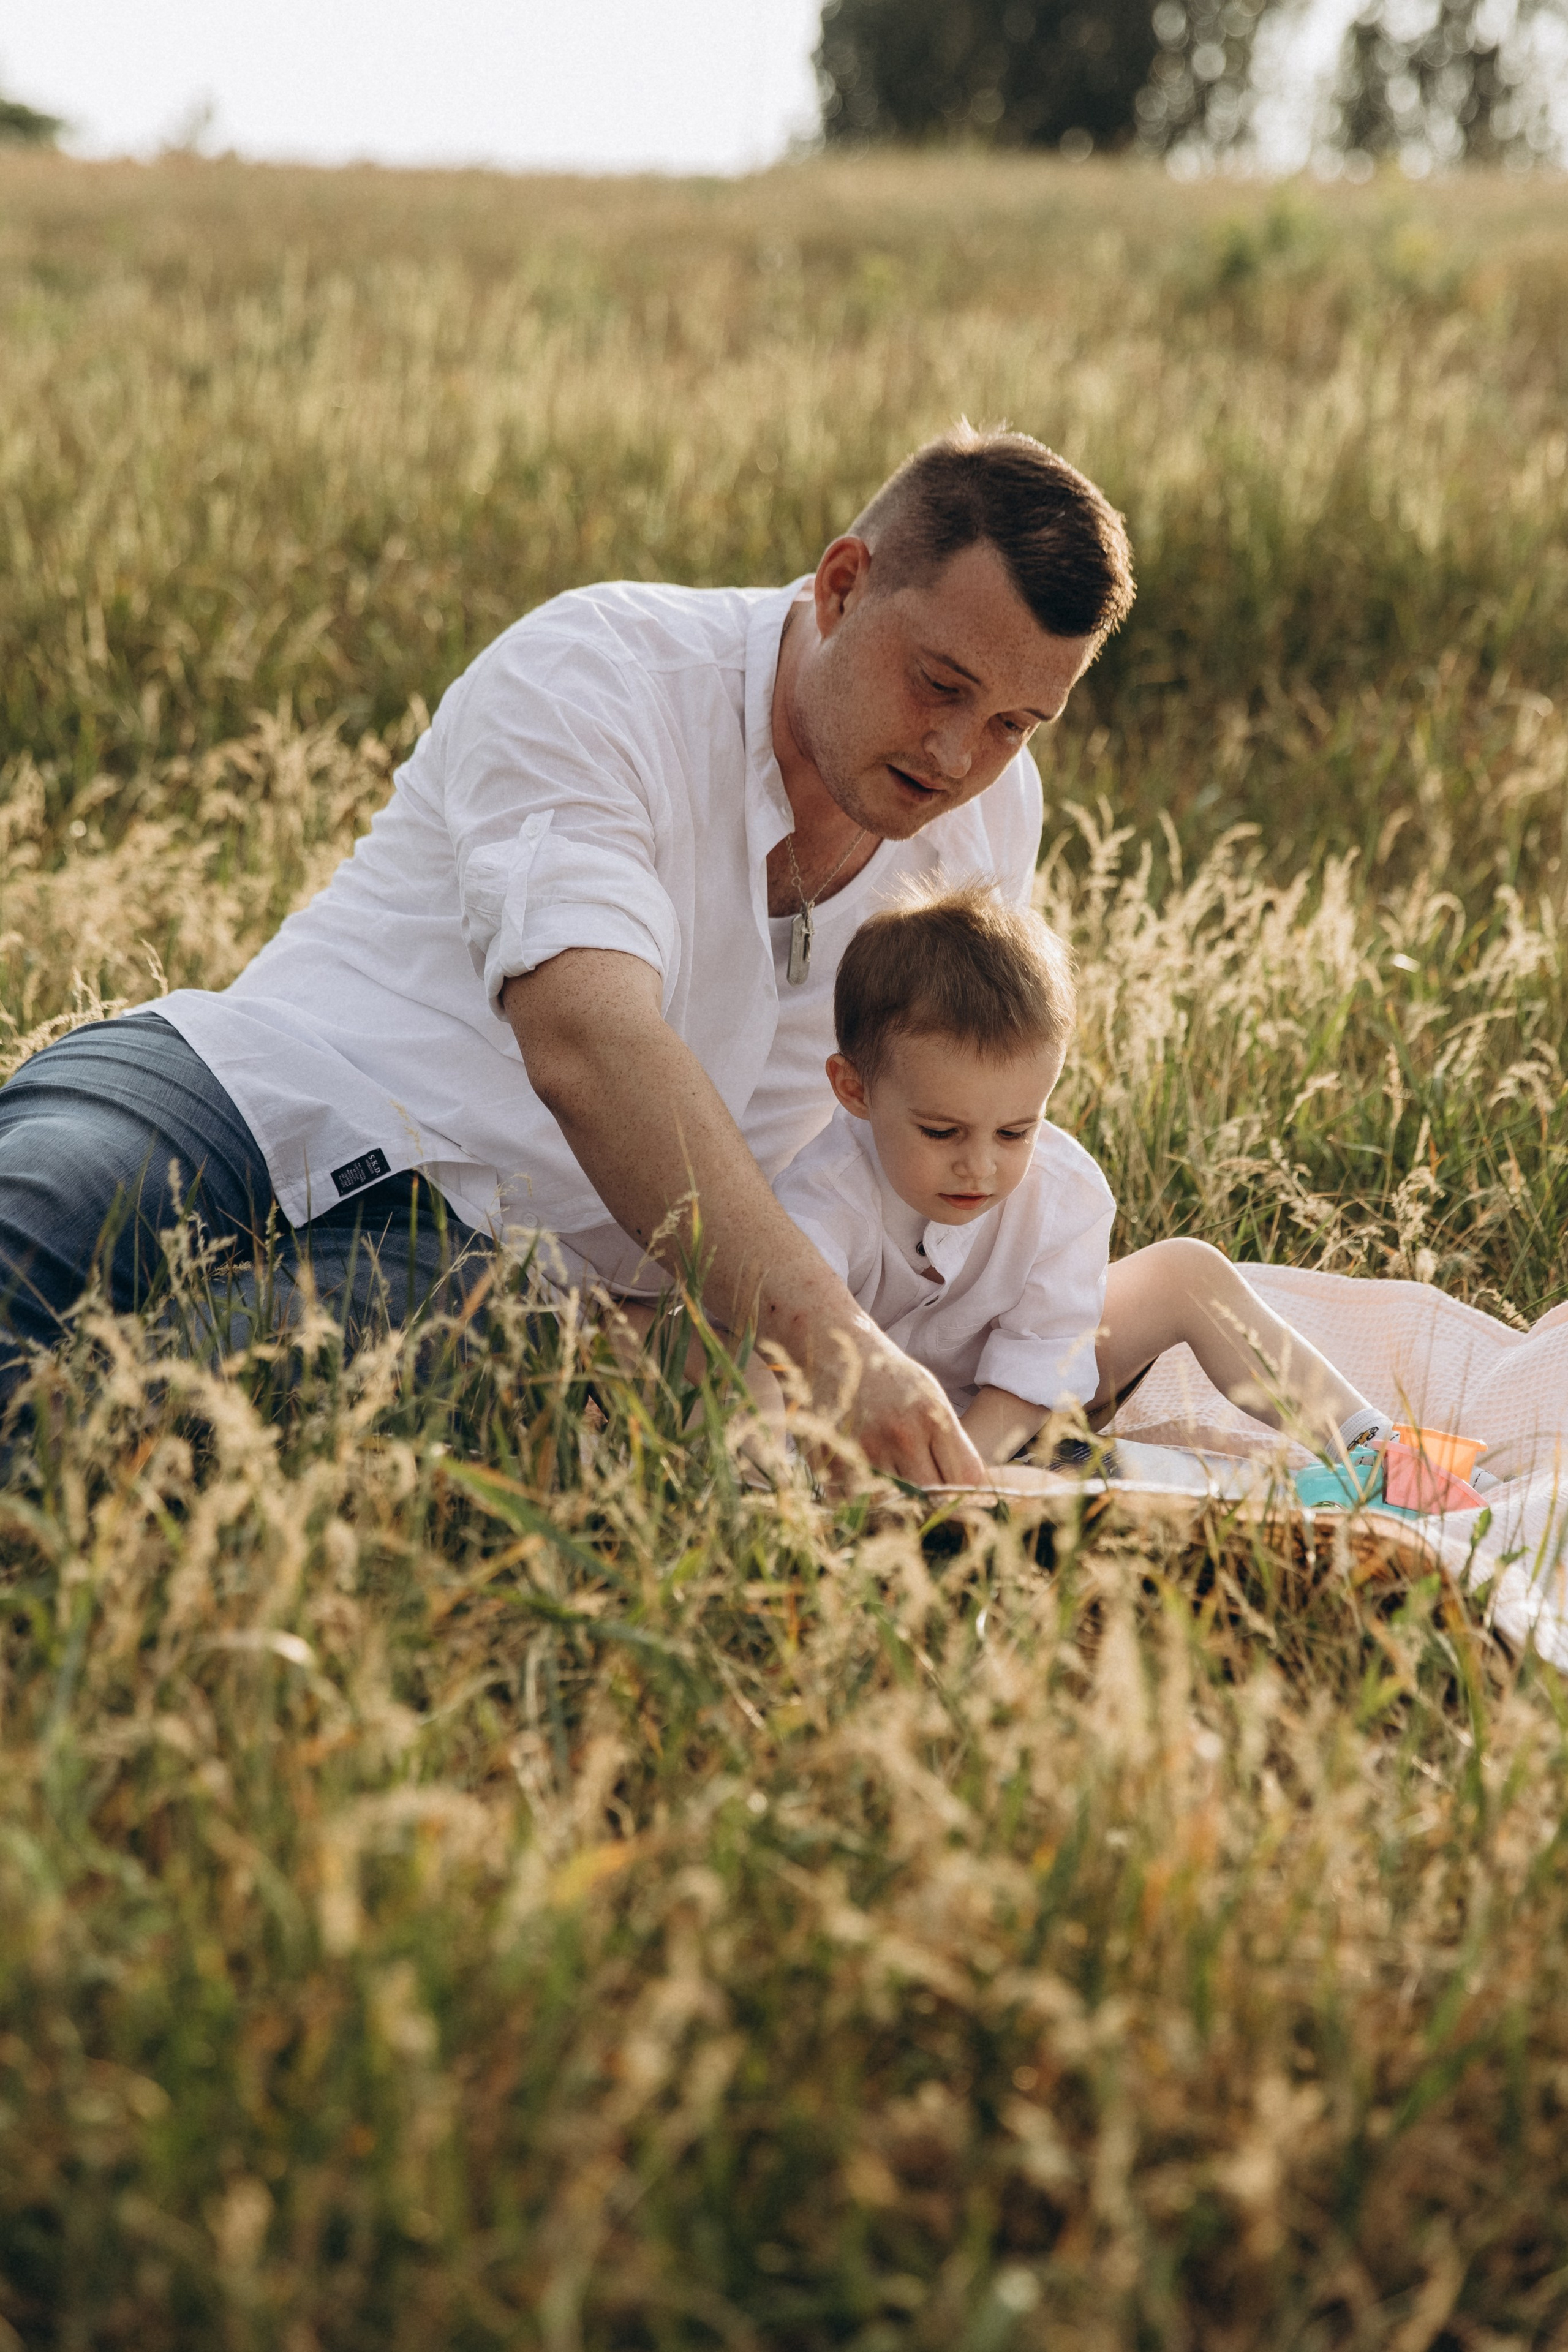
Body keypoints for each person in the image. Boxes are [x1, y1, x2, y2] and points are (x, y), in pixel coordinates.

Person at [0, 426, 1134, 1485]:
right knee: (32, 1219)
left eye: (1014, 724)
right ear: (843, 586)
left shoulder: (990, 822)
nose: (958, 754)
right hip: (244, 1087)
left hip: (496, 1267)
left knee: (154, 1421)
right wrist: (831, 1340)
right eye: (940, 684)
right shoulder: (601, 669)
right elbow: (589, 1038)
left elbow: (926, 1123)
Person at [772, 881, 1403, 1472]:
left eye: (1015, 1132)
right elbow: (781, 1340)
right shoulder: (824, 1194)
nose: (981, 1166)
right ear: (855, 1090)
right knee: (737, 1342)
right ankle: (772, 1486)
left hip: (1015, 1411)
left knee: (1187, 1272)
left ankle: (1372, 1447)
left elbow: (1044, 1357)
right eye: (941, 1132)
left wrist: (962, 1469)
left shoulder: (1060, 1189)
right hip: (860, 1416)